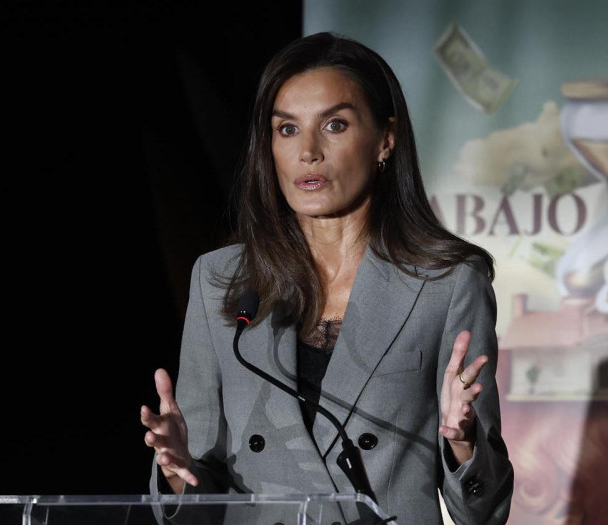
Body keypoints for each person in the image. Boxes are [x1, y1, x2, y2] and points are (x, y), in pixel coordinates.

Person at [139, 32, 513, 525]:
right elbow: (197, 498)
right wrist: (176, 470)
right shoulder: (220, 280)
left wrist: (462, 443)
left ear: (386, 138)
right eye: (287, 129)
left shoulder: (447, 283)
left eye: (335, 124)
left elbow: (483, 513)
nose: (308, 151)